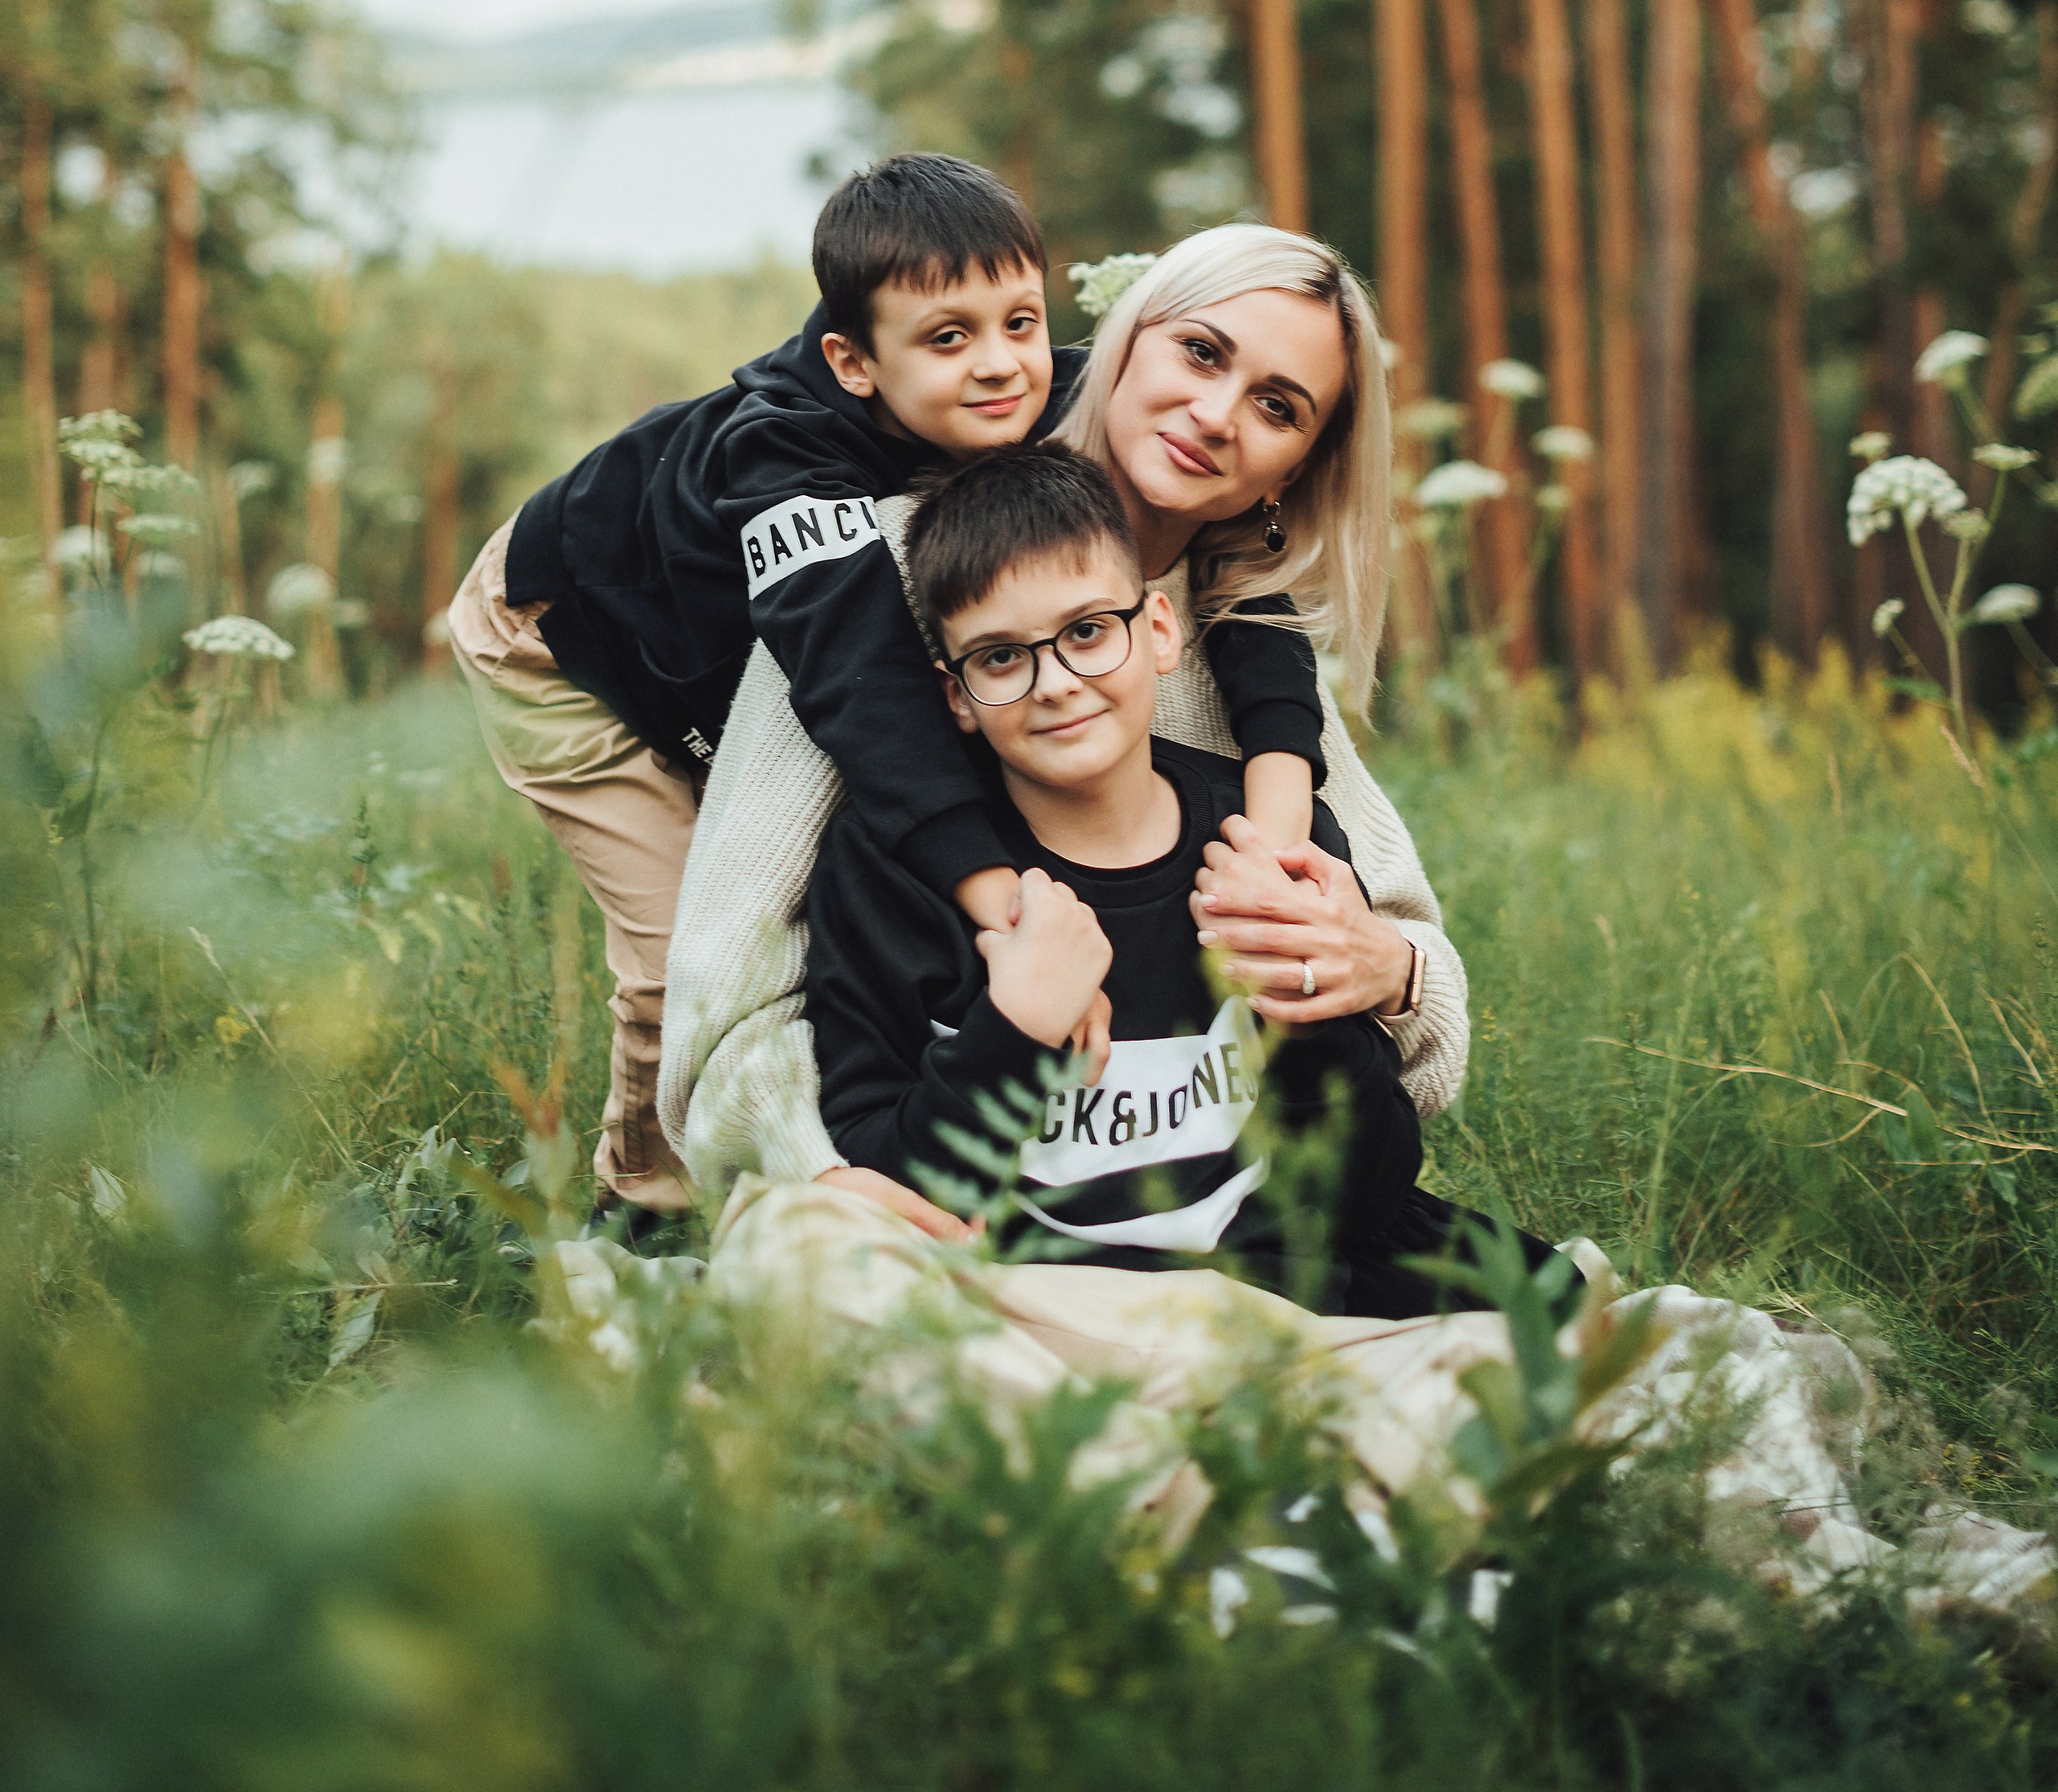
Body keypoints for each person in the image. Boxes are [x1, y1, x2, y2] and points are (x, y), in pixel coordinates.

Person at [449, 162, 1328, 1222]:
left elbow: (1243, 561)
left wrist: (1281, 817)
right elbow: (862, 680)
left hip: (717, 641)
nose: (1004, 364)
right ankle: (646, 1204)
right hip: (567, 636)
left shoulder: (1040, 385)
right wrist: (1004, 908)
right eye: (949, 337)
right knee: (681, 941)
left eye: (1020, 321)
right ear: (853, 361)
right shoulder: (779, 454)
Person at [658, 223, 1470, 1245]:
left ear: (1294, 469)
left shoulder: (1247, 641)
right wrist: (815, 1167)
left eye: (1277, 406)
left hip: (1197, 1218)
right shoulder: (906, 579)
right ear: (1124, 340)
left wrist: (1390, 971)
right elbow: (725, 989)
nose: (1216, 415)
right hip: (930, 1198)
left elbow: (1414, 983)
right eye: (1201, 352)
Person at [805, 445, 1559, 1314]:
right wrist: (1012, 1030)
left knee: (1552, 1311)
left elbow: (1365, 1194)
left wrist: (1305, 1020)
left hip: (1267, 1290)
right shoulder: (893, 869)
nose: (1054, 684)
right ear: (956, 696)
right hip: (1026, 1307)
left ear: (1158, 630)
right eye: (1002, 657)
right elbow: (889, 1179)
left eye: (1087, 631)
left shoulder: (1269, 840)